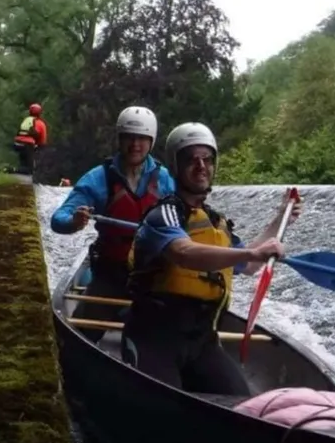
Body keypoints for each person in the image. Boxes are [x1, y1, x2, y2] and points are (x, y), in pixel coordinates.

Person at [125, 123, 298, 398]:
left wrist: (280, 219)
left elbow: (250, 265)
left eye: (207, 159)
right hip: (155, 336)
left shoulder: (216, 222)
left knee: (241, 404)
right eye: (191, 159)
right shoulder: (164, 215)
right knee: (162, 407)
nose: (201, 166)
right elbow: (184, 253)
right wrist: (252, 253)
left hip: (202, 340)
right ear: (176, 167)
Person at [49, 107, 173, 299]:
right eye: (128, 137)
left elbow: (187, 219)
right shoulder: (98, 178)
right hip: (110, 271)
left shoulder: (165, 179)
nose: (135, 145)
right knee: (93, 319)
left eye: (141, 138)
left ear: (151, 141)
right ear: (119, 139)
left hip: (153, 274)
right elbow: (58, 219)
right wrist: (73, 222)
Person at [11, 103, 47, 179]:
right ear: (40, 113)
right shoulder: (41, 123)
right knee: (29, 169)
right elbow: (42, 141)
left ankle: (18, 176)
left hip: (17, 144)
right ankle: (11, 170)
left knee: (23, 164)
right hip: (27, 145)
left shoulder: (26, 120)